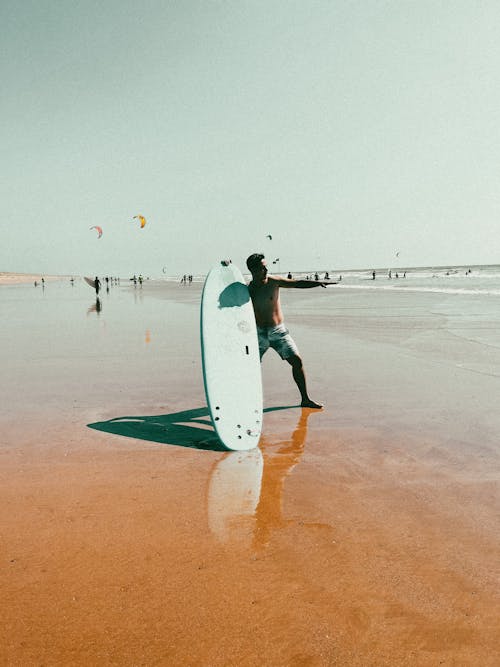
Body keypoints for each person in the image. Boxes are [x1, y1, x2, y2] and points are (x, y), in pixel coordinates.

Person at [246, 253, 336, 409]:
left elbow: (297, 283)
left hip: (278, 332)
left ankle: (305, 399)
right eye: (262, 267)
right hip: (258, 333)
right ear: (253, 270)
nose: (266, 269)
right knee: (250, 367)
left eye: (266, 266)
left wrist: (317, 283)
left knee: (296, 361)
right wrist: (226, 268)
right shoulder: (247, 289)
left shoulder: (274, 282)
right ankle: (248, 400)